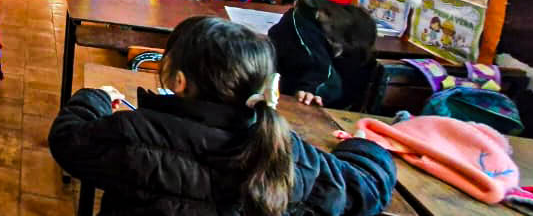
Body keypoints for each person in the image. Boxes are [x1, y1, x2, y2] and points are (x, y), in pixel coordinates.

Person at [49, 16, 397, 216]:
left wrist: (95, 98)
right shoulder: (284, 149)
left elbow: (67, 140)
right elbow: (367, 190)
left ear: (178, 80)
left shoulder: (134, 132)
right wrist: (363, 148)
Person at [269, 0, 421, 109]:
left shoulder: (299, 20)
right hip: (348, 110)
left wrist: (310, 88)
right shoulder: (361, 19)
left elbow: (316, 67)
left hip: (307, 106)